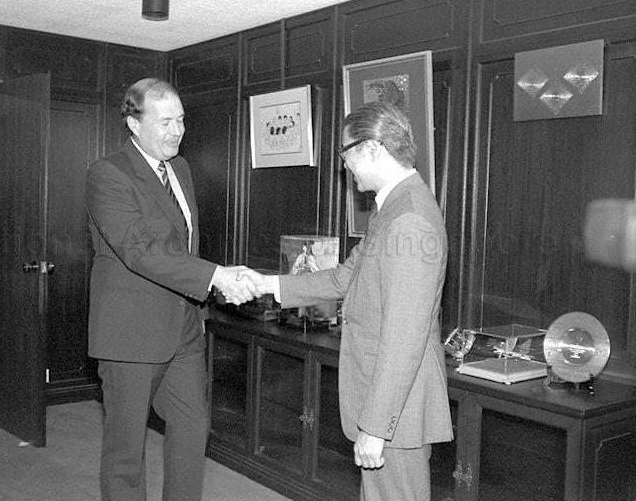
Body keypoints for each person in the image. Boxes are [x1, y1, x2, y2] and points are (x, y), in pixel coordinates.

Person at [244, 101, 452, 501]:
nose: (345, 166)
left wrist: (375, 427)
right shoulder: (392, 209)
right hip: (390, 404)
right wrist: (268, 285)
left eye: (346, 154)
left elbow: (404, 336)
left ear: (372, 148)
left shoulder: (408, 218)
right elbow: (344, 277)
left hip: (396, 413)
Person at [85, 77, 259, 501]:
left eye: (181, 120)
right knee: (126, 453)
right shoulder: (108, 173)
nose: (177, 131)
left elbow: (181, 244)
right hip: (130, 333)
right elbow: (140, 252)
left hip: (183, 329)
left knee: (192, 431)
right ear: (132, 122)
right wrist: (215, 276)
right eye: (165, 121)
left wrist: (207, 291)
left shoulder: (179, 168)